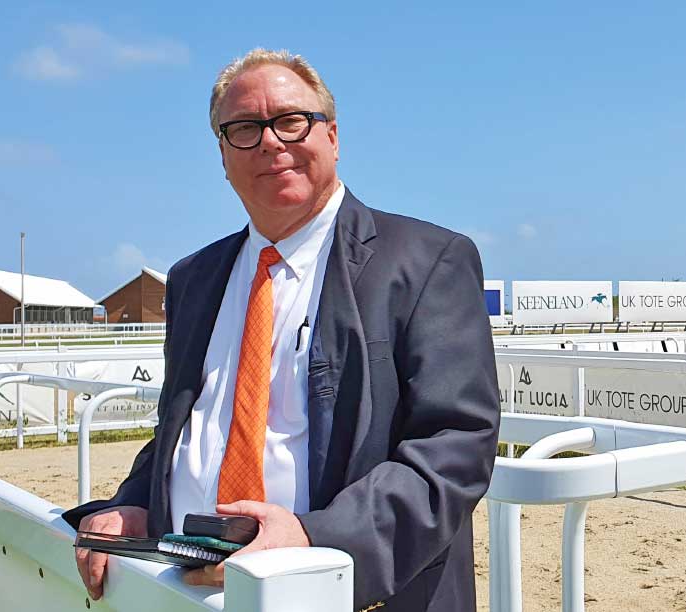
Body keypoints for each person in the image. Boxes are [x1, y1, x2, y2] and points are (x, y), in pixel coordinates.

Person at [63, 48, 500, 612]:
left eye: (292, 121)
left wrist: (316, 540)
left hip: (352, 593)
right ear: (223, 155)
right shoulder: (194, 279)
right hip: (190, 588)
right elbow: (188, 426)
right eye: (245, 128)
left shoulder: (427, 262)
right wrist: (137, 501)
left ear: (332, 137)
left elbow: (455, 444)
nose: (271, 142)